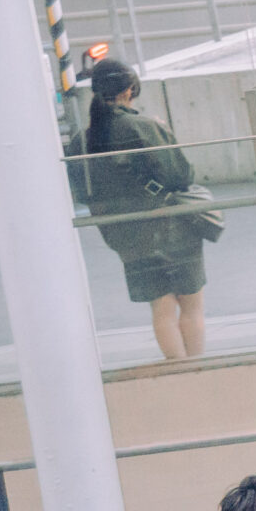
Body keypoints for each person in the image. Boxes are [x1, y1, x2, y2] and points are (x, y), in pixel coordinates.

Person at [71, 54, 208, 360]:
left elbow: (82, 191)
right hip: (172, 227)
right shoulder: (145, 127)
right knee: (191, 305)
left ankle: (177, 369)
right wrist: (164, 132)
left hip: (126, 236)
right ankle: (197, 370)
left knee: (161, 308)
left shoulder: (81, 141)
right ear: (129, 90)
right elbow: (181, 176)